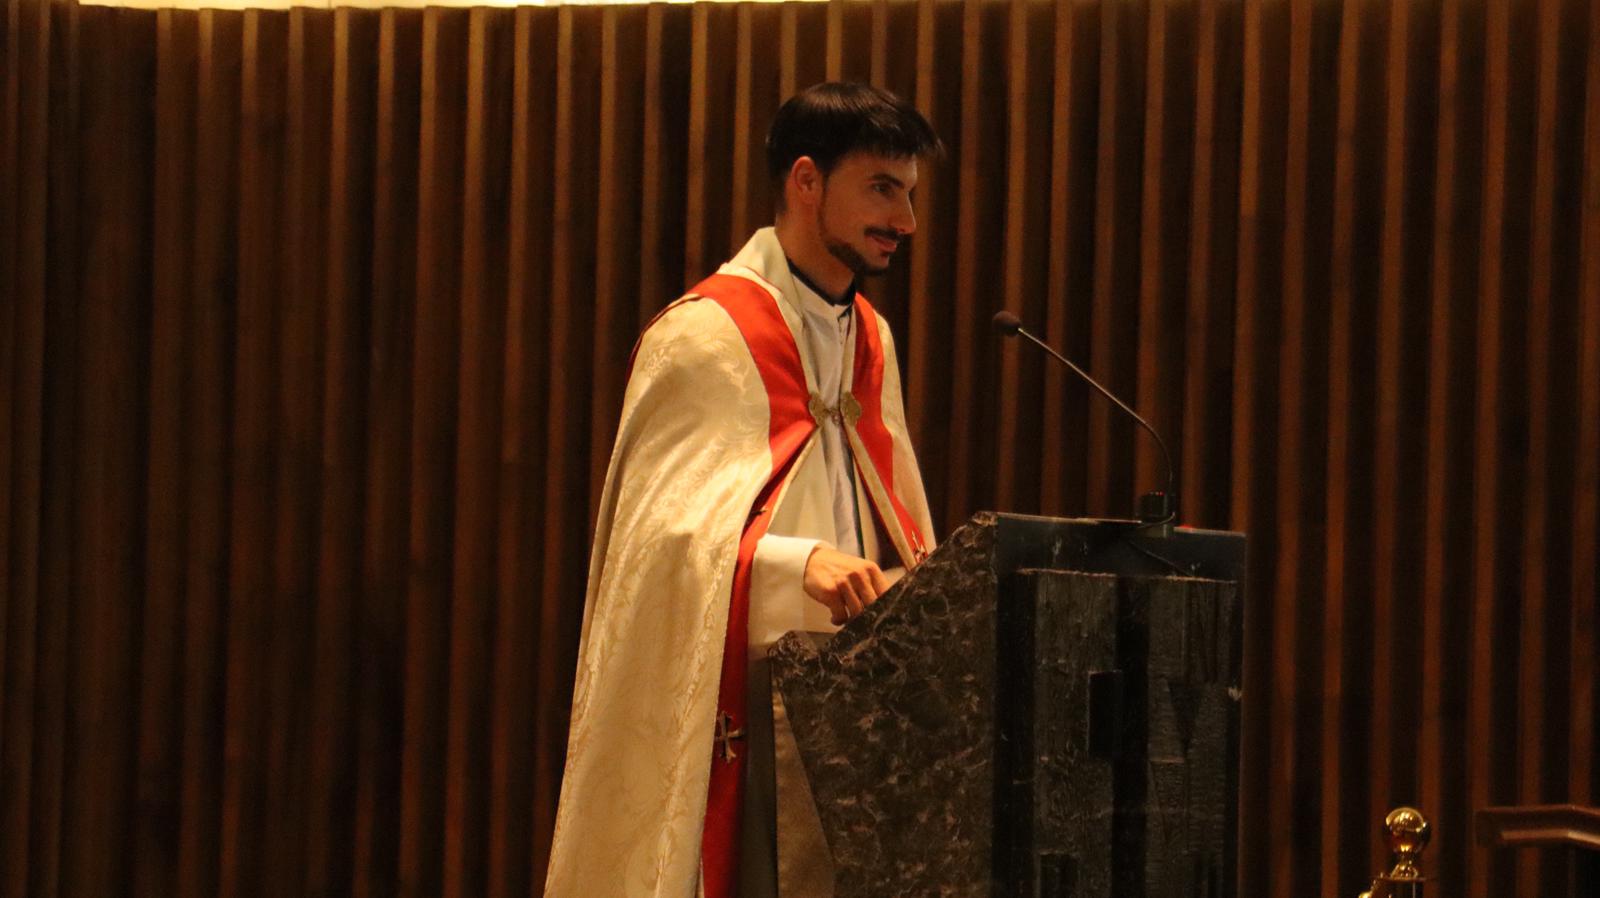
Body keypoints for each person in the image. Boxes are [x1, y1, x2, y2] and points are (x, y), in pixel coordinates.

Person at [544, 82, 943, 898]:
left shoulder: (870, 340)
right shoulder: (705, 334)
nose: (905, 221)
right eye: (881, 189)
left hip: (855, 711)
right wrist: (795, 566)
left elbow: (896, 511)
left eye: (909, 196)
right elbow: (653, 552)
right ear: (806, 181)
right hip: (746, 710)